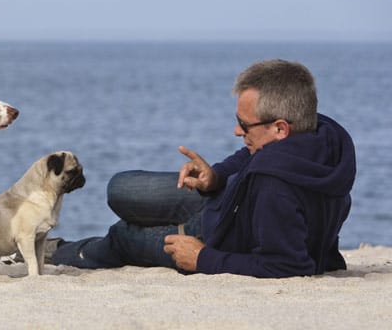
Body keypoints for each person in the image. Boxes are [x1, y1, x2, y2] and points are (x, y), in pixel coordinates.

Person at [49, 59, 356, 278]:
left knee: (123, 236)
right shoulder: (321, 132)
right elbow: (250, 157)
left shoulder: (275, 186)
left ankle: (53, 250)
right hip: (228, 201)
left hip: (218, 237)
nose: (237, 132)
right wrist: (217, 176)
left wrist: (202, 258)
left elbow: (289, 267)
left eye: (244, 125)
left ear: (280, 128)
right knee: (120, 187)